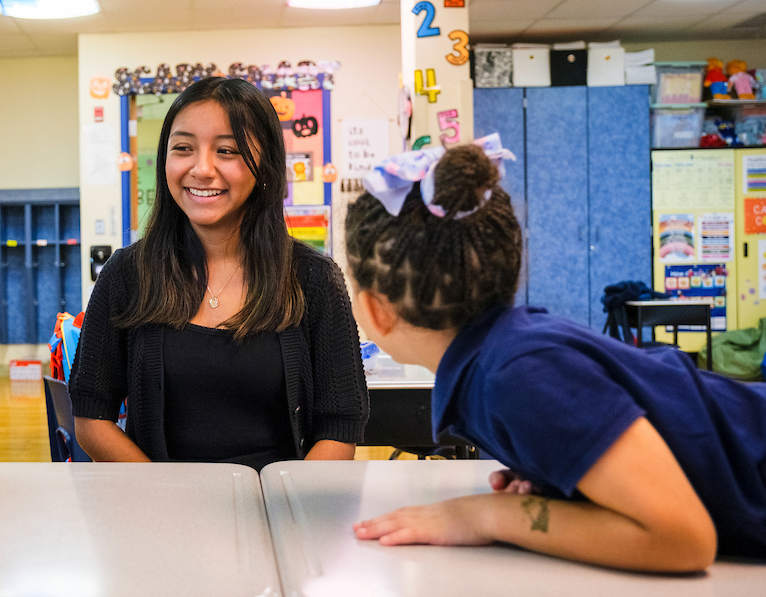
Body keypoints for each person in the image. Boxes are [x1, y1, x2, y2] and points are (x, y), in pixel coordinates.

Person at [344, 140, 766, 572]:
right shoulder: (504, 356)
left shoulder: (516, 376)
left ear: (375, 309)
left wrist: (485, 515)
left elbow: (684, 539)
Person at [69, 77, 368, 470]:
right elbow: (92, 416)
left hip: (281, 511)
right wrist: (164, 494)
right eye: (183, 148)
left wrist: (287, 505)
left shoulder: (313, 279)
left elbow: (341, 426)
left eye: (226, 150)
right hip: (160, 511)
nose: (202, 168)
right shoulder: (127, 274)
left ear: (265, 165)